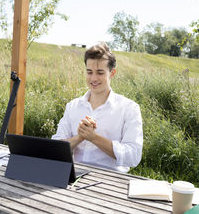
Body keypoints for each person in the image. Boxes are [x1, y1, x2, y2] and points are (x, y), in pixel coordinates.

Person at [52, 42, 143, 172]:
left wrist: (94, 138)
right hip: (74, 177)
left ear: (112, 73)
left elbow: (133, 156)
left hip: (112, 180)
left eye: (100, 72)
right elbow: (55, 149)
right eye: (89, 72)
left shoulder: (129, 108)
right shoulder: (72, 106)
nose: (93, 78)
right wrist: (80, 138)